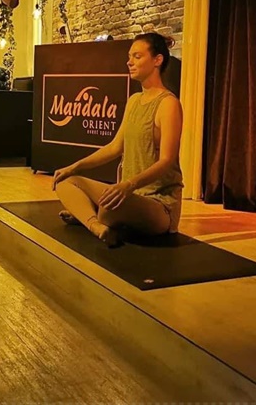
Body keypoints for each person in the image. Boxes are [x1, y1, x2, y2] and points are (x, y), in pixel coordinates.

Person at [53, 32, 184, 247]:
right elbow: (115, 147)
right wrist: (74, 167)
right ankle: (96, 226)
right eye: (129, 57)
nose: (129, 62)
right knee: (65, 181)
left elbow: (167, 160)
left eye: (137, 56)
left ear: (157, 60)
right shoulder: (134, 100)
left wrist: (128, 185)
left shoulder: (168, 104)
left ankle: (88, 214)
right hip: (128, 194)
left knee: (109, 207)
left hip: (159, 205)